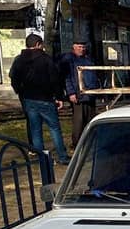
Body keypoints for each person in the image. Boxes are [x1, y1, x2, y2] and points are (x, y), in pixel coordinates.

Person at [9, 33, 70, 165]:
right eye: (41, 45)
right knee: (54, 128)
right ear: (38, 44)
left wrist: (20, 91)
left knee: (35, 129)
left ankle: (40, 157)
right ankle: (62, 156)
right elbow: (55, 80)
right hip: (45, 99)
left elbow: (14, 78)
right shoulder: (46, 59)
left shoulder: (19, 60)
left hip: (28, 99)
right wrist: (59, 97)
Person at [60, 40, 98, 149]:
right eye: (79, 47)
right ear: (74, 47)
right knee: (79, 121)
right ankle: (77, 144)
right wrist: (71, 93)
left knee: (90, 118)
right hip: (78, 94)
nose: (82, 49)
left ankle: (89, 141)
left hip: (90, 93)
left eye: (83, 47)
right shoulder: (69, 59)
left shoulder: (88, 59)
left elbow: (93, 74)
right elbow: (67, 78)